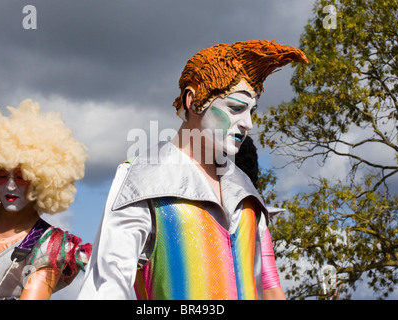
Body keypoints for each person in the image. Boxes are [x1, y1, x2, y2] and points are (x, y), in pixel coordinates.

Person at [78, 40, 308, 300]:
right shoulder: (143, 179)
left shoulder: (245, 190)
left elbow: (267, 286)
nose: (248, 124)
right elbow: (106, 288)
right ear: (194, 101)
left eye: (252, 111)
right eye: (235, 108)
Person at [0, 99, 91, 300]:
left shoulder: (48, 246)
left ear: (42, 180)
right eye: (2, 175)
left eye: (21, 177)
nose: (10, 186)